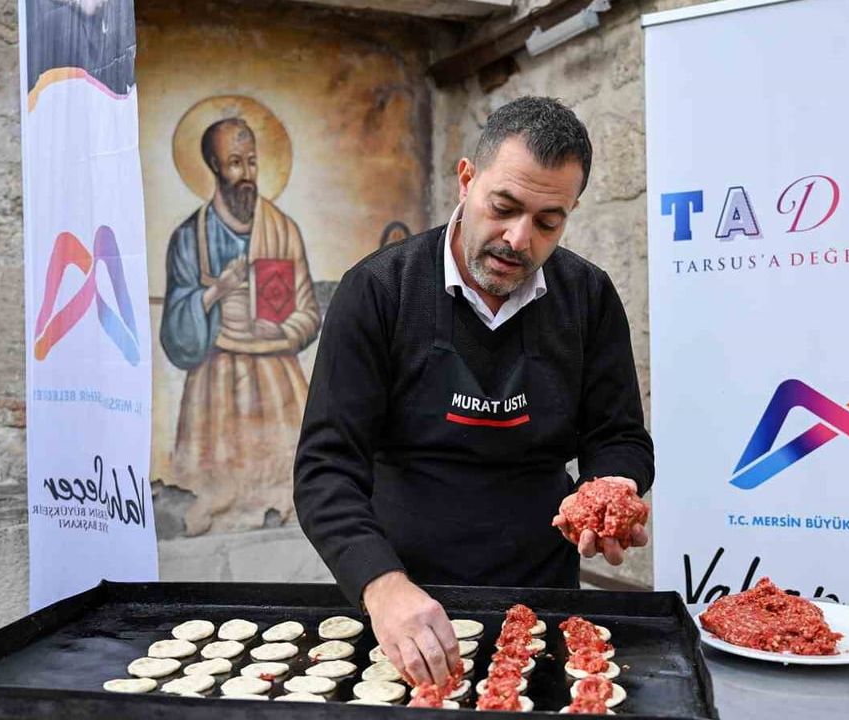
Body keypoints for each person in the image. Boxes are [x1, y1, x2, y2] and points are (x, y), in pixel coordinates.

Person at [294, 97, 652, 687]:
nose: (518, 239)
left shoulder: (588, 297)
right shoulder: (378, 291)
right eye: (503, 207)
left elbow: (618, 435)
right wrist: (380, 585)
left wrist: (612, 486)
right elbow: (326, 468)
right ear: (466, 179)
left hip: (543, 595)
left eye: (548, 222)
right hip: (403, 593)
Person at [161, 117, 320, 534]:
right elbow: (175, 329)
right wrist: (216, 292)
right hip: (214, 388)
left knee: (289, 500)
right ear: (214, 166)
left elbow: (309, 313)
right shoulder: (189, 238)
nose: (247, 173)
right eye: (235, 162)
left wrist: (282, 331)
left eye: (251, 161)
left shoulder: (283, 230)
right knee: (211, 505)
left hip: (278, 384)